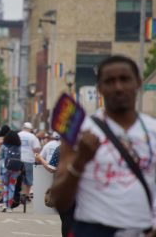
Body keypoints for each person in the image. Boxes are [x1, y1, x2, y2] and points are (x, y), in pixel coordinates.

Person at [51, 55, 156, 236]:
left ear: (138, 83)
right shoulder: (78, 132)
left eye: (124, 79)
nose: (118, 87)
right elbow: (58, 201)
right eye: (110, 81)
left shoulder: (152, 130)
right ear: (99, 88)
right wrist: (80, 161)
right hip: (93, 230)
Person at [0, 131, 22, 213]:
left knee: (5, 186)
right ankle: (9, 206)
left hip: (5, 169)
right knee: (12, 187)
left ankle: (4, 204)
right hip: (15, 169)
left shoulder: (4, 146)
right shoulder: (19, 147)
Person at [17, 122, 41, 200]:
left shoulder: (18, 135)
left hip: (18, 159)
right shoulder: (33, 136)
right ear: (30, 129)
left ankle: (21, 193)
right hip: (29, 159)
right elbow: (36, 149)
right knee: (29, 177)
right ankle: (26, 194)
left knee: (20, 177)